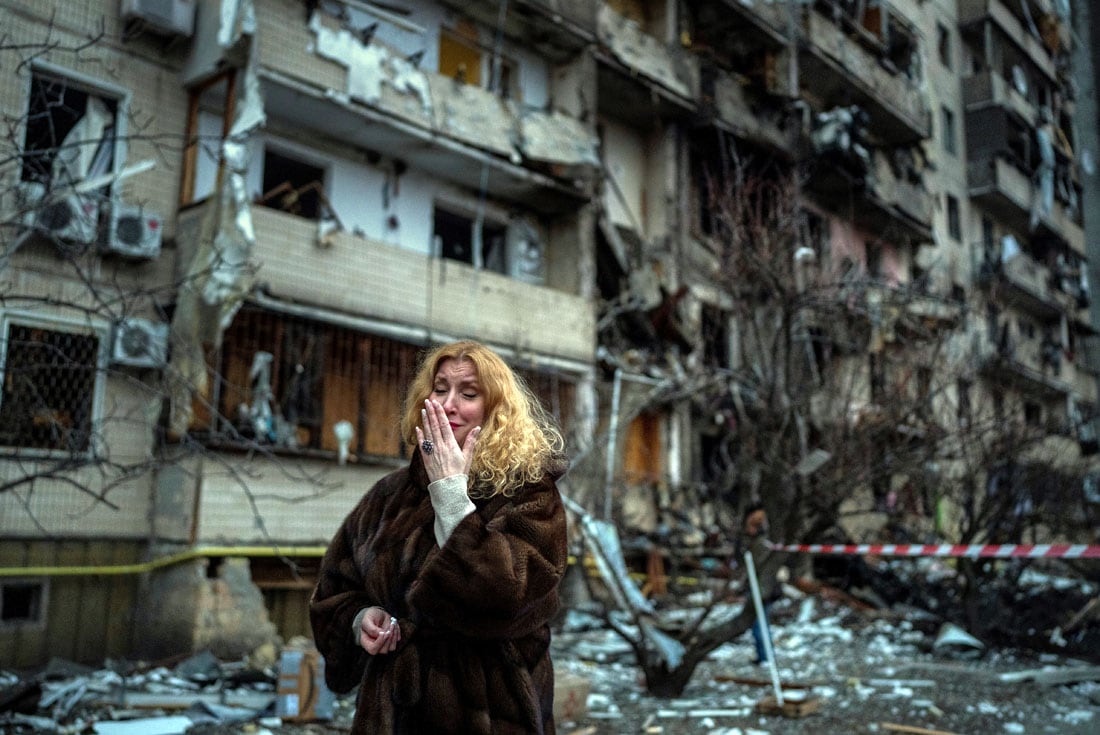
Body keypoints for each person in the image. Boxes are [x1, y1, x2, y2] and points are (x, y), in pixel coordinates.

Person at [310, 340, 569, 734]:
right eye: (440, 388)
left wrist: (450, 494)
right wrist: (361, 619)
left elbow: (509, 593)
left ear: (496, 409)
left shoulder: (530, 492)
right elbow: (334, 589)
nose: (448, 404)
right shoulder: (390, 494)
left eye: (468, 393)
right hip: (392, 715)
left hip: (490, 711)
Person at [736, 502, 779, 665]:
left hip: (762, 588)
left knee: (760, 625)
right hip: (756, 587)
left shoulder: (761, 543)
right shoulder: (751, 542)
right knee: (758, 624)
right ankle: (764, 656)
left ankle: (766, 657)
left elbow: (760, 567)